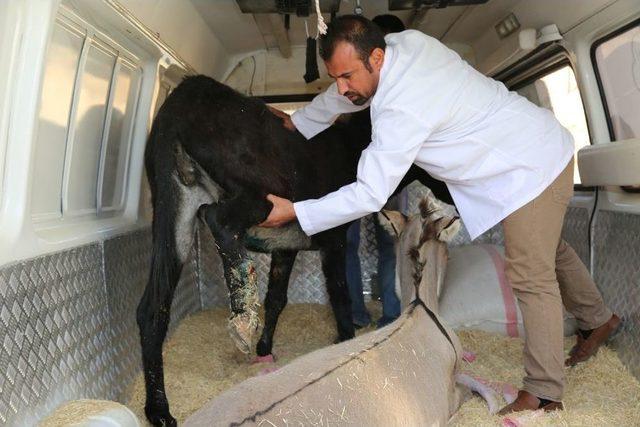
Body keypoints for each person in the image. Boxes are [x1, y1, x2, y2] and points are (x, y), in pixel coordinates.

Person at [260, 15, 619, 414]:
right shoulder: (404, 43)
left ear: (377, 58)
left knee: (529, 273)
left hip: (531, 164)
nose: (342, 88)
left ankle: (544, 391)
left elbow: (368, 194)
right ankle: (598, 318)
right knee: (549, 250)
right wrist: (300, 120)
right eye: (335, 77)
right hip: (530, 151)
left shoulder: (401, 108)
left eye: (346, 76)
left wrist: (296, 211)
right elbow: (345, 93)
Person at [345, 14, 407, 330]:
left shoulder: (363, 83)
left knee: (352, 247)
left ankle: (359, 314)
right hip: (386, 178)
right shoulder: (402, 85)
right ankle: (391, 316)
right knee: (390, 248)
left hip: (358, 175)